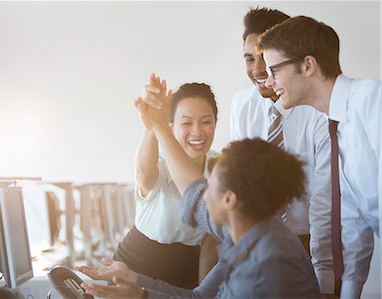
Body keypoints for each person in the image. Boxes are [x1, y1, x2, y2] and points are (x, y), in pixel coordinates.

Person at [76, 76, 321, 298]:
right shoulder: (242, 232)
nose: (199, 194)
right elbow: (200, 297)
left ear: (229, 200)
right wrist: (137, 285)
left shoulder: (261, 272)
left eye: (209, 186)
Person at [258, 16, 381, 298]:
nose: (268, 81)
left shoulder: (372, 101)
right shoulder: (333, 125)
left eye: (274, 70)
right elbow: (355, 230)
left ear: (308, 65)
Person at [230, 7, 334, 294]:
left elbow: (324, 200)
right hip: (256, 245)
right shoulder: (242, 105)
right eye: (250, 58)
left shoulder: (318, 111)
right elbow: (237, 186)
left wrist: (323, 276)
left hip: (308, 243)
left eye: (265, 58)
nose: (258, 70)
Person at [112, 74, 219, 289]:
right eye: (186, 123)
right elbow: (144, 173)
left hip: (185, 273)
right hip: (136, 266)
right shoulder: (160, 164)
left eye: (206, 122)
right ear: (170, 126)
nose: (197, 132)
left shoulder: (220, 167)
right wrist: (152, 124)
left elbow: (211, 239)